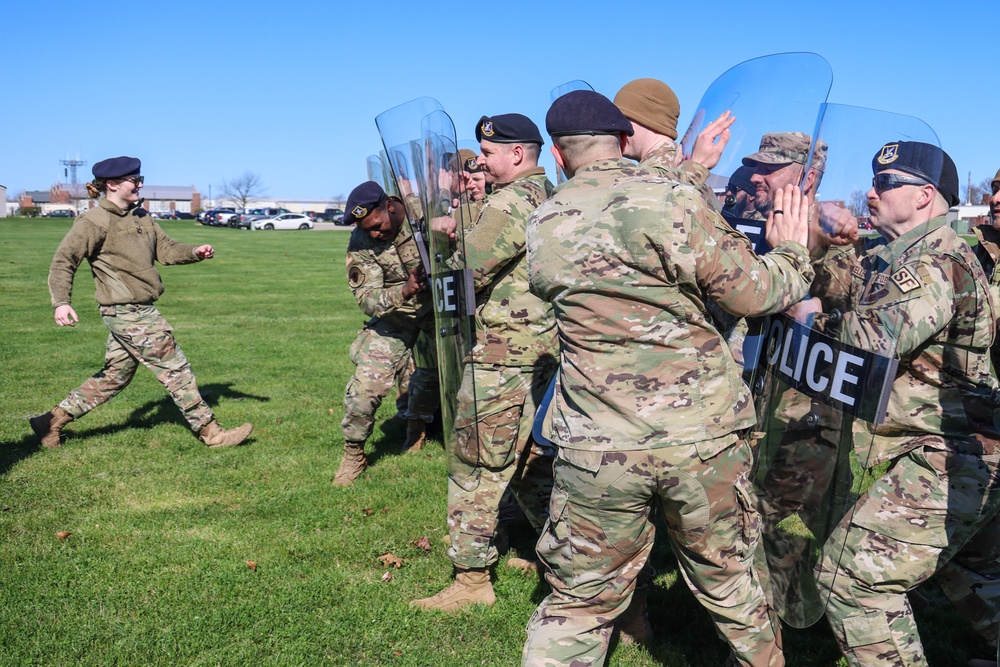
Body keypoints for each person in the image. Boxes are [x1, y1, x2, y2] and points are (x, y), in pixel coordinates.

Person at [521, 90, 817, 667]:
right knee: (732, 585)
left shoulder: (544, 219)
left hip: (596, 446)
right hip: (698, 437)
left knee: (579, 601)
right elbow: (754, 294)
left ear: (558, 157)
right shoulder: (672, 200)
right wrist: (793, 256)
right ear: (625, 141)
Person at [799, 142, 1000, 667]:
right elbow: (854, 288)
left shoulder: (933, 264)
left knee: (849, 580)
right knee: (975, 575)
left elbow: (868, 341)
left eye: (886, 184)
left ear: (925, 196)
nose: (870, 192)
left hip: (950, 453)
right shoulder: (905, 257)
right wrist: (826, 247)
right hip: (961, 449)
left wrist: (803, 322)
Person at [411, 113, 558, 612]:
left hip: (503, 357)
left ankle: (471, 581)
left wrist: (442, 238)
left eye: (489, 154)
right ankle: (562, 559)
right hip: (538, 355)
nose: (480, 162)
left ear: (517, 154)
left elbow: (468, 271)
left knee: (474, 464)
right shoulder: (548, 194)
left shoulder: (513, 200)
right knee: (530, 468)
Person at [29, 156, 253, 449]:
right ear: (112, 184)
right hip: (126, 311)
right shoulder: (94, 221)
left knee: (114, 376)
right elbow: (64, 261)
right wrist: (61, 302)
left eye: (140, 179)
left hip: (141, 308)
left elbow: (167, 250)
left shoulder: (141, 216)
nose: (139, 184)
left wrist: (195, 251)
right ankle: (212, 433)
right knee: (176, 369)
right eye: (134, 180)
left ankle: (49, 422)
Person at [334, 181, 438, 486]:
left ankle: (416, 429)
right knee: (366, 385)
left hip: (438, 310)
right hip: (397, 316)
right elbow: (366, 298)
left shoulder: (424, 212)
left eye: (378, 225)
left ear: (390, 206)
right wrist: (402, 292)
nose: (375, 233)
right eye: (368, 229)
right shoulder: (360, 240)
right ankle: (354, 454)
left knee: (430, 373)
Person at [613, 77, 734, 200]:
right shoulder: (689, 174)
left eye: (621, 119)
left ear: (646, 120)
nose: (615, 128)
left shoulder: (648, 178)